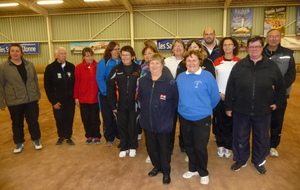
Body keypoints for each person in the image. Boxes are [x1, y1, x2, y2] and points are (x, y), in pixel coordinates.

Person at [225, 36, 286, 174]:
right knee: (240, 136)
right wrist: (228, 106)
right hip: (241, 109)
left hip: (263, 110)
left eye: (257, 47)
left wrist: (277, 102)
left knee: (261, 138)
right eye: (251, 47)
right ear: (247, 48)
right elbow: (230, 87)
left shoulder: (271, 66)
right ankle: (240, 159)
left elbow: (281, 87)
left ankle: (259, 161)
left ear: (261, 48)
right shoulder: (239, 66)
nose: (254, 50)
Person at [177, 50, 219, 185]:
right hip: (184, 116)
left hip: (202, 117)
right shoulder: (180, 77)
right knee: (189, 145)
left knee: (200, 147)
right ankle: (193, 168)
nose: (191, 63)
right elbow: (177, 96)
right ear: (185, 62)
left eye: (194, 60)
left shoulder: (207, 76)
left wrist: (205, 108)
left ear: (200, 61)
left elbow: (215, 97)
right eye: (188, 60)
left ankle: (203, 172)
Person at [138, 53, 178, 185]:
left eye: (157, 63)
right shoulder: (143, 81)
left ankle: (166, 170)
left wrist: (169, 118)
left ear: (162, 65)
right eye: (152, 63)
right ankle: (157, 166)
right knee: (151, 147)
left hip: (163, 121)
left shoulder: (169, 82)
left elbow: (175, 101)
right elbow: (141, 99)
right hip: (147, 120)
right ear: (148, 65)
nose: (154, 66)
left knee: (164, 148)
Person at [0, 43, 42, 153]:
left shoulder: (29, 64)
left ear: (21, 52)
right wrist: (1, 101)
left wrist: (37, 94)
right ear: (9, 53)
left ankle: (36, 139)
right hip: (14, 101)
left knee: (33, 121)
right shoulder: (3, 67)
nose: (15, 53)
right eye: (12, 51)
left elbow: (35, 80)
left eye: (17, 51)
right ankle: (19, 142)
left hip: (31, 99)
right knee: (17, 123)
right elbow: (0, 84)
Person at [263, 29, 296, 157]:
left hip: (280, 95)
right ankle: (262, 144)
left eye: (276, 36)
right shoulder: (260, 52)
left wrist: (278, 86)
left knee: (277, 121)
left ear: (280, 38)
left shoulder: (288, 53)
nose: (274, 39)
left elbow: (291, 74)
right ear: (266, 38)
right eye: (271, 36)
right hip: (263, 95)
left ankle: (272, 146)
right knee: (262, 121)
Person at [106, 45, 141, 158]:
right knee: (121, 125)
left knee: (133, 125)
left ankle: (132, 146)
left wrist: (140, 103)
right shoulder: (116, 69)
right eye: (123, 54)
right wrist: (112, 105)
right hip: (119, 104)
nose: (125, 57)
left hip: (134, 104)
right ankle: (124, 146)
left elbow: (143, 87)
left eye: (128, 54)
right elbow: (110, 87)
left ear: (132, 56)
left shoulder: (138, 69)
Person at [213, 37, 241, 158]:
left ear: (234, 46)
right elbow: (213, 80)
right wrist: (218, 93)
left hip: (234, 99)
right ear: (222, 47)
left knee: (231, 123)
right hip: (219, 96)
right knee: (219, 122)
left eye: (230, 44)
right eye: (225, 45)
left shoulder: (240, 62)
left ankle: (228, 146)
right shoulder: (217, 61)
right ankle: (220, 145)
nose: (227, 47)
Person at [44, 47, 76, 146]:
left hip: (70, 100)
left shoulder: (71, 66)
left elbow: (75, 83)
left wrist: (75, 97)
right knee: (59, 118)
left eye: (65, 53)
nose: (63, 55)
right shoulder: (50, 68)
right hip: (58, 100)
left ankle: (68, 137)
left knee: (69, 118)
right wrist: (53, 101)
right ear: (56, 55)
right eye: (61, 53)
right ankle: (61, 136)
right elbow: (47, 86)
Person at [96, 41, 121, 147]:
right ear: (109, 51)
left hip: (119, 94)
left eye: (118, 49)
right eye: (115, 49)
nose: (117, 51)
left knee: (119, 116)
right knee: (108, 116)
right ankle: (109, 137)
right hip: (106, 95)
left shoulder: (122, 61)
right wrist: (107, 92)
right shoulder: (103, 62)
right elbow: (100, 78)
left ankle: (119, 134)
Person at [74, 47, 101, 144]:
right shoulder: (78, 67)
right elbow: (77, 82)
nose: (89, 58)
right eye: (87, 56)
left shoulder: (98, 66)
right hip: (83, 98)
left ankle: (97, 136)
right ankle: (89, 135)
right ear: (83, 57)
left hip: (95, 98)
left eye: (91, 55)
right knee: (86, 118)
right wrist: (76, 97)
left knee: (95, 118)